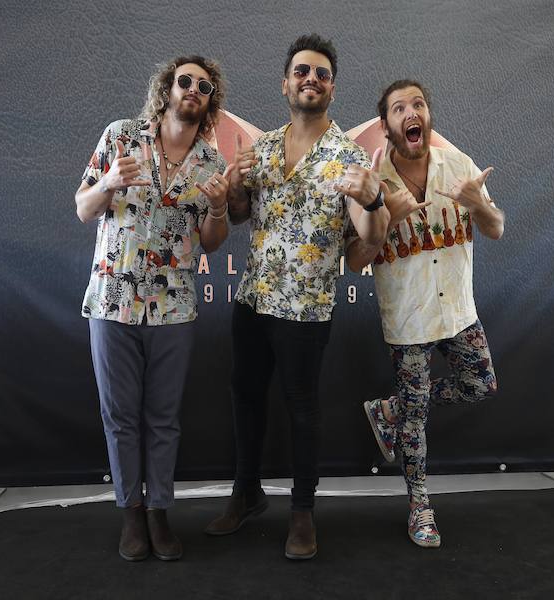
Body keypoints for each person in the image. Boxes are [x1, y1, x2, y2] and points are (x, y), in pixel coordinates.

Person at [204, 34, 390, 560]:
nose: (311, 79)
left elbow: (367, 240)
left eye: (322, 74)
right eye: (302, 71)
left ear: (332, 89)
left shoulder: (349, 158)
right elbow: (239, 214)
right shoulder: (260, 149)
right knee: (245, 399)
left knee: (302, 409)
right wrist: (234, 190)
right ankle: (247, 493)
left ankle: (303, 512)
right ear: (285, 83)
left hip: (305, 307)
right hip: (252, 299)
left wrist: (372, 197)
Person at [74, 56, 232, 561]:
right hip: (112, 301)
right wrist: (107, 185)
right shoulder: (120, 137)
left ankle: (159, 512)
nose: (193, 90)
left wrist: (217, 207)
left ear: (209, 103)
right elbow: (83, 208)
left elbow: (212, 243)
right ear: (167, 88)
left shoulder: (211, 163)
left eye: (203, 87)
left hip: (173, 307)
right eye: (185, 81)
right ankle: (130, 515)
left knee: (163, 418)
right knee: (120, 415)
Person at [346, 79, 503, 549]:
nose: (410, 112)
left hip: (458, 309)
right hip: (408, 318)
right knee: (414, 424)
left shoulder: (459, 167)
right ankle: (420, 507)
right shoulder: (372, 184)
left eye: (417, 104)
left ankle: (391, 408)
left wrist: (478, 204)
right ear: (386, 126)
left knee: (481, 385)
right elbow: (354, 260)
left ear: (427, 117)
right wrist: (385, 214)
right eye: (398, 108)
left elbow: (495, 228)